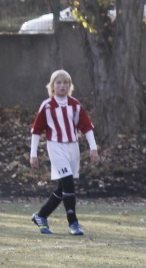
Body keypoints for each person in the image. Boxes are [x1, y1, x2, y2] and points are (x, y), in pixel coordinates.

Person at [29, 69, 99, 236]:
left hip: (72, 147)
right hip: (56, 146)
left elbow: (86, 127)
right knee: (68, 183)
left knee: (63, 188)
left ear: (70, 86)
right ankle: (73, 223)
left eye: (65, 83)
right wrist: (33, 154)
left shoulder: (75, 105)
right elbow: (36, 130)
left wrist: (93, 148)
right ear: (52, 86)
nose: (62, 85)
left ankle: (41, 215)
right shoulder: (47, 106)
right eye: (58, 83)